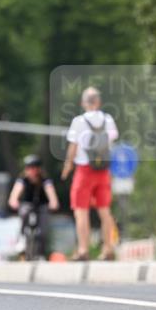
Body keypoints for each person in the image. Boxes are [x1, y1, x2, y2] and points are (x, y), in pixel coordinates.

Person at [61, 86, 119, 260]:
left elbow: (73, 147)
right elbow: (111, 142)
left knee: (81, 211)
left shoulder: (79, 121)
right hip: (103, 171)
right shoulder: (108, 119)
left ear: (83, 103)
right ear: (99, 102)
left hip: (84, 170)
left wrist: (67, 166)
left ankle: (83, 250)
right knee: (105, 211)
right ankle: (108, 248)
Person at [7, 154, 59, 259]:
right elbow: (16, 192)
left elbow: (50, 191)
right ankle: (22, 239)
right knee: (24, 213)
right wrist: (13, 201)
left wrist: (53, 202)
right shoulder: (23, 180)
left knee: (43, 228)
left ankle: (41, 252)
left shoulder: (45, 180)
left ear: (39, 169)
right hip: (27, 204)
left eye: (34, 168)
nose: (32, 171)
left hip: (42, 205)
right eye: (29, 168)